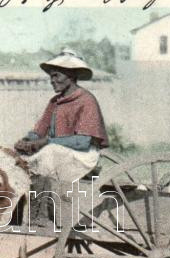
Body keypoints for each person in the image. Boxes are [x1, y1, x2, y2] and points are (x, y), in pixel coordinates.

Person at [14, 49, 109, 185]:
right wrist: (26, 141)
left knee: (49, 152)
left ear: (70, 75)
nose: (52, 80)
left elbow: (83, 142)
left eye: (56, 76)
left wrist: (47, 142)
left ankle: (41, 194)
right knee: (19, 157)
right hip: (59, 153)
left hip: (83, 156)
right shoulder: (55, 102)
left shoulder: (86, 100)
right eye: (51, 76)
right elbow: (39, 132)